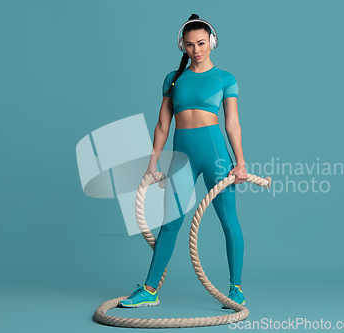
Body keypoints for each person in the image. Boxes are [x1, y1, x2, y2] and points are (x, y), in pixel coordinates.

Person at [118, 14, 247, 309]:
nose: (196, 50)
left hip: (216, 155)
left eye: (201, 43)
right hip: (182, 156)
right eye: (190, 45)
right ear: (182, 46)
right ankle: (150, 290)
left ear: (212, 42)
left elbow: (233, 125)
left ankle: (236, 288)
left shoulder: (225, 79)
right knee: (170, 222)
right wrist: (152, 163)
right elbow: (163, 126)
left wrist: (240, 162)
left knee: (228, 221)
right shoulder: (173, 78)